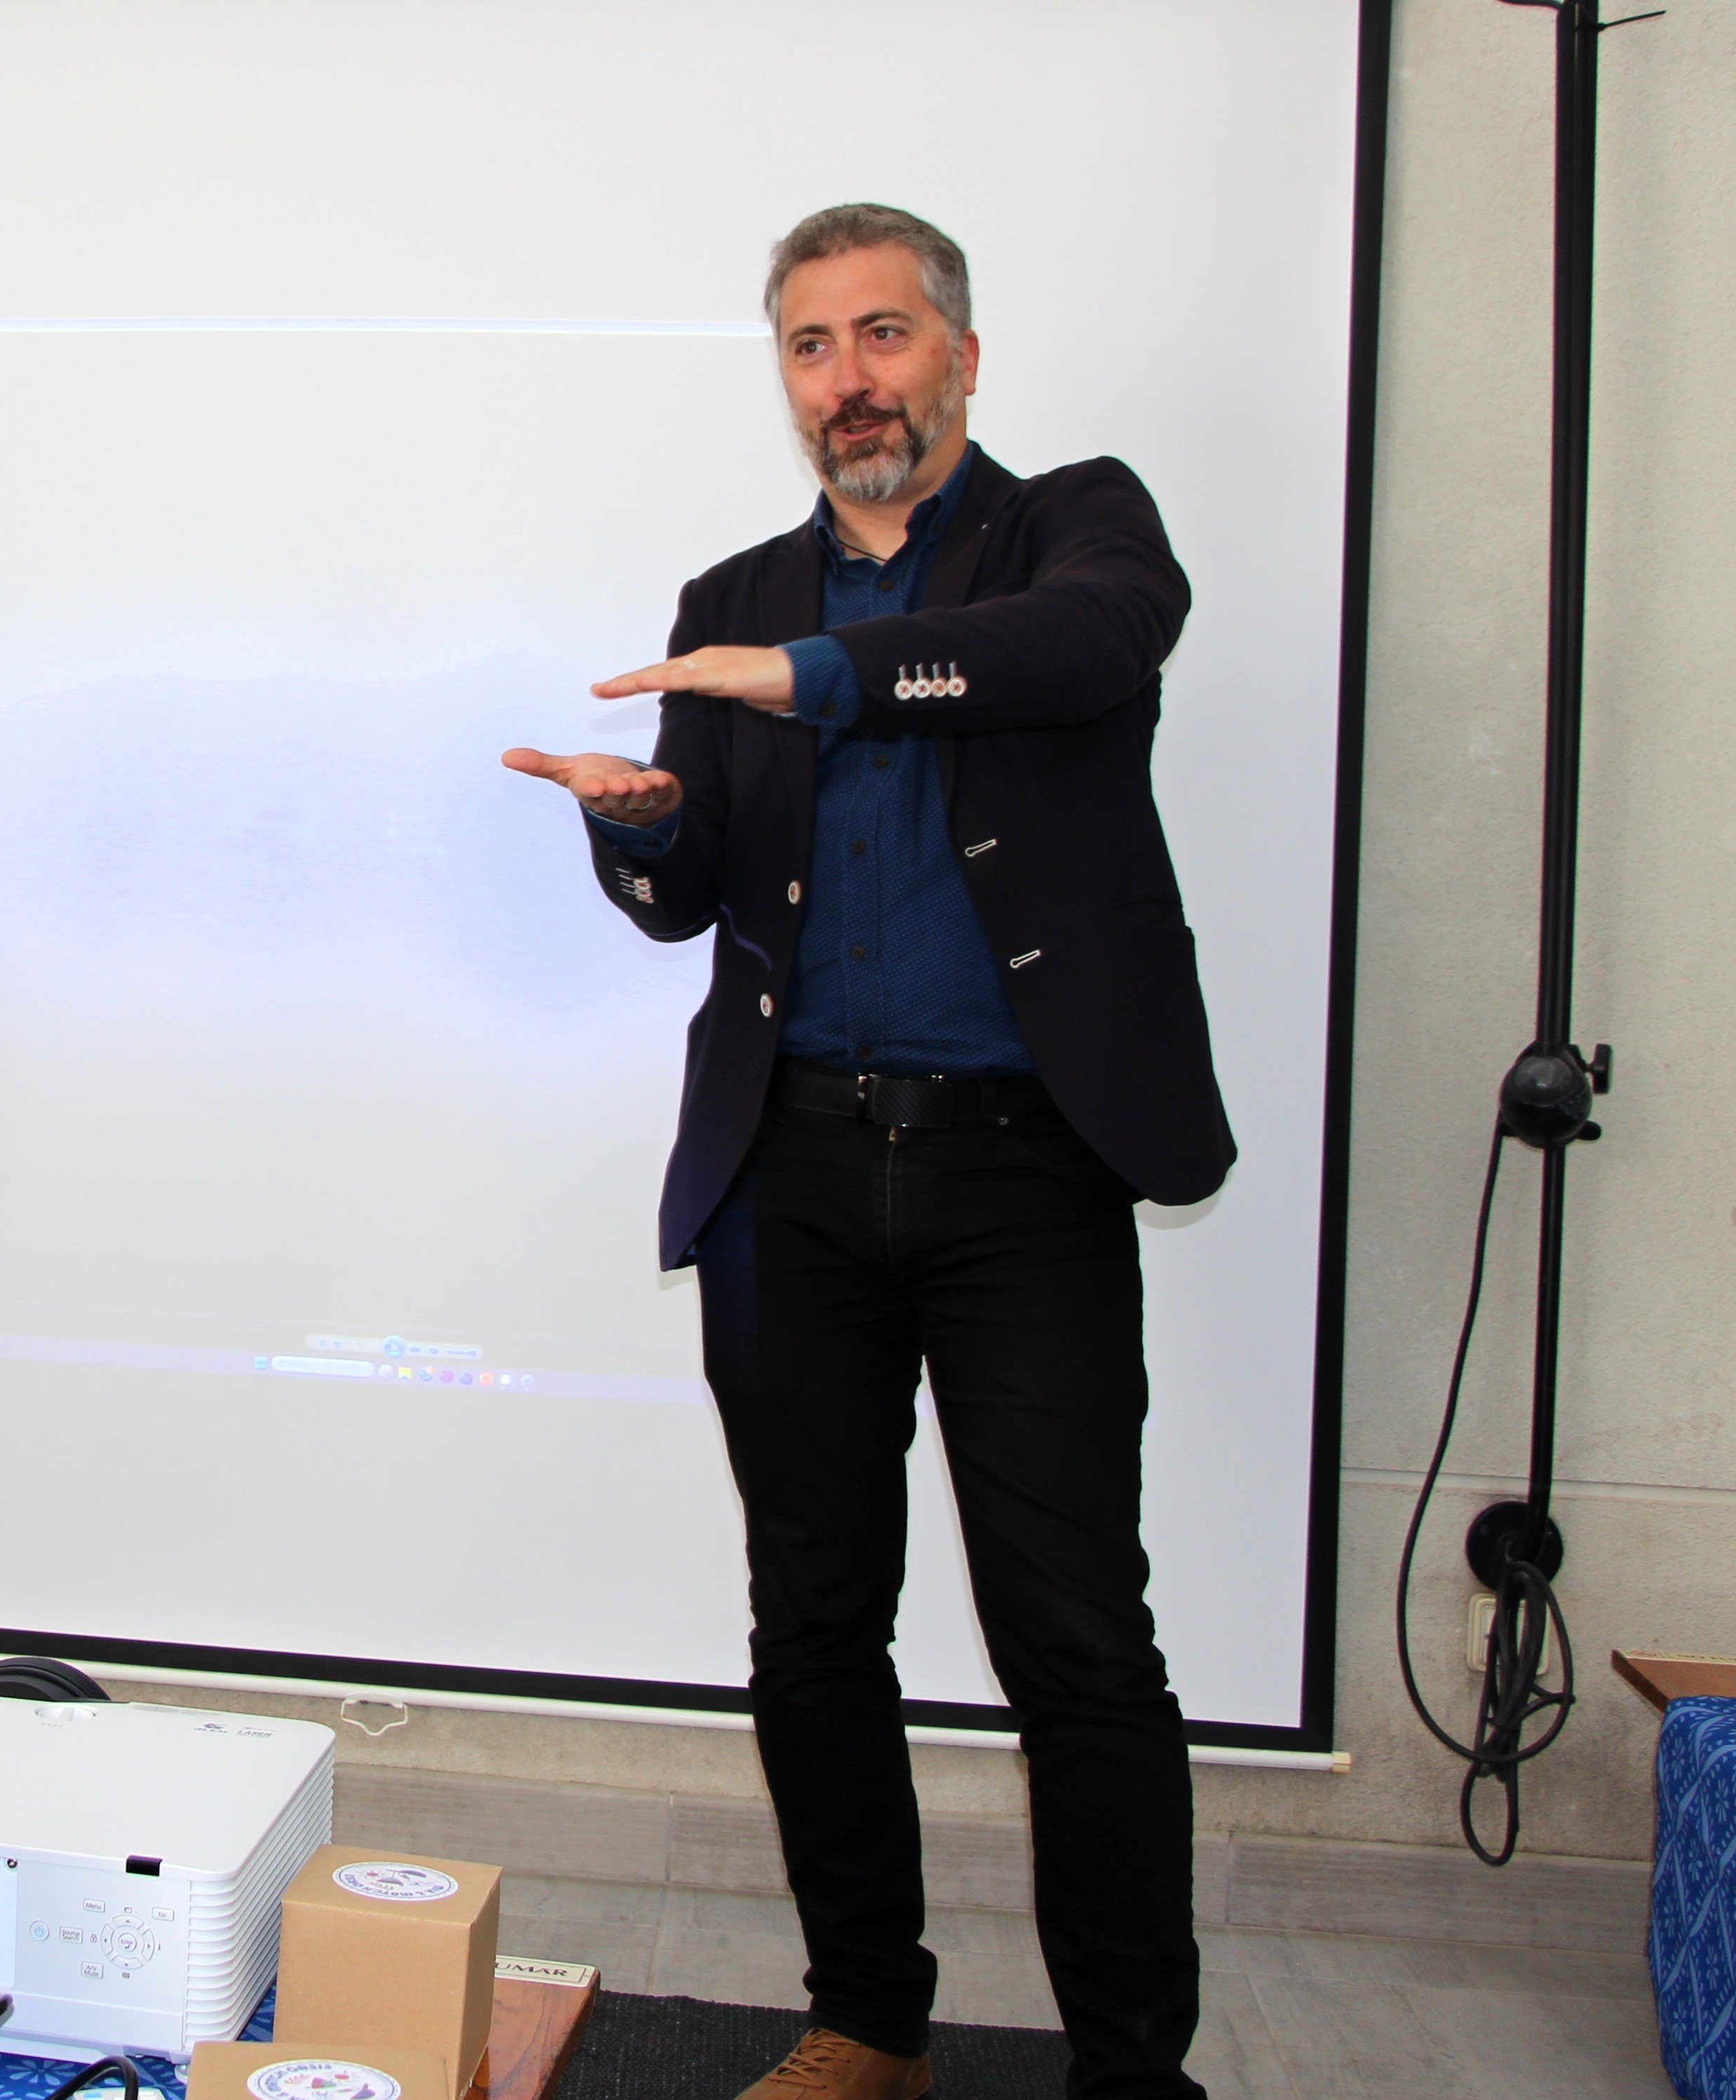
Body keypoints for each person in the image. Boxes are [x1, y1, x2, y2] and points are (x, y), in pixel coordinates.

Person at [503, 204, 1228, 2100]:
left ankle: (1132, 2071)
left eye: (884, 335)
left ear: (960, 357)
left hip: (1022, 1177)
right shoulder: (734, 593)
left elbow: (1076, 650)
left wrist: (818, 676)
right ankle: (864, 2019)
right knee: (815, 1623)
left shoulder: (1073, 530)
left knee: (1078, 1638)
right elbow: (696, 891)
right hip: (795, 1174)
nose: (851, 381)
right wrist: (639, 826)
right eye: (812, 346)